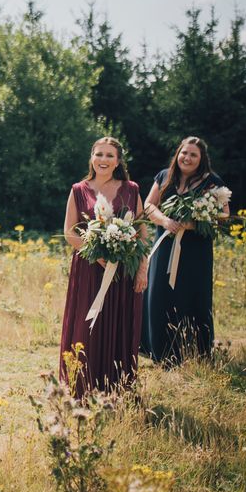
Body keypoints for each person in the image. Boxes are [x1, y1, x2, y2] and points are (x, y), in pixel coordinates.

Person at [59, 137, 148, 396]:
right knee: (86, 327)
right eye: (99, 154)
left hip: (124, 271)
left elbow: (142, 233)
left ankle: (117, 389)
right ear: (91, 158)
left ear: (118, 161)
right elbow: (68, 232)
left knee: (120, 324)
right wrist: (95, 253)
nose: (103, 160)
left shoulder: (131, 189)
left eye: (110, 155)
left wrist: (142, 269)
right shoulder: (78, 189)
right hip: (88, 269)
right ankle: (83, 387)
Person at [141, 136, 228, 363]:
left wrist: (194, 223)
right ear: (177, 153)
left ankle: (195, 352)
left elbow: (224, 214)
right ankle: (160, 352)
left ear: (201, 159)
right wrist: (164, 221)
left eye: (193, 155)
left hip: (195, 251)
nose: (187, 158)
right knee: (159, 293)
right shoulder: (165, 176)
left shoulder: (212, 182)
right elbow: (148, 205)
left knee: (192, 295)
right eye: (184, 152)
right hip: (165, 244)